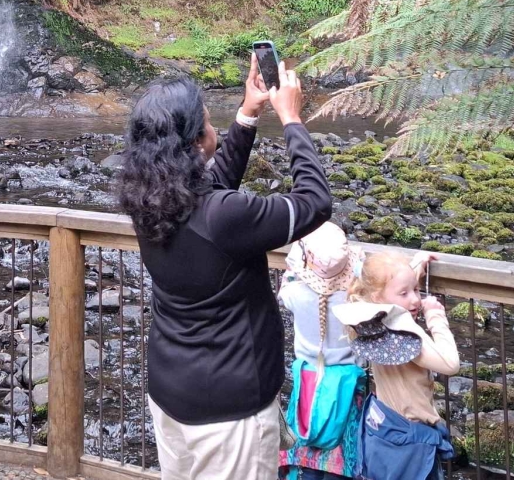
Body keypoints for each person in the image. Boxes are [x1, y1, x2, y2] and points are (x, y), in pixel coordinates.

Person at [117, 59, 333, 480]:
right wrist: (291, 118)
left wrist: (248, 113)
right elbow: (315, 202)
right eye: (206, 120)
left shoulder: (146, 200)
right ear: (197, 140)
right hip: (229, 411)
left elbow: (212, 188)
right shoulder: (224, 217)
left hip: (170, 390)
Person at [336, 251, 458, 480]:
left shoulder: (367, 317)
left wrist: (417, 265)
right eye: (405, 293)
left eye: (417, 290)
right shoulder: (404, 336)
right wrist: (435, 316)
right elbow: (450, 364)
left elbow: (391, 283)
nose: (415, 300)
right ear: (378, 296)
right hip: (411, 438)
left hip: (383, 427)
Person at [277, 222, 367, 479]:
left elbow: (290, 274)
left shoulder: (295, 293)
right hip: (347, 388)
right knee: (343, 455)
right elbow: (367, 279)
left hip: (309, 382)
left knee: (305, 454)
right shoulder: (355, 299)